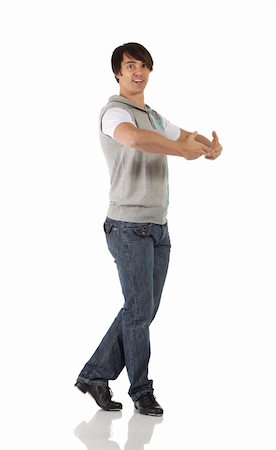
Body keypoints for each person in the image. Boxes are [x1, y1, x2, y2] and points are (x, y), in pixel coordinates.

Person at [75, 42, 222, 417]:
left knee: (143, 309)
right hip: (128, 225)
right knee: (139, 312)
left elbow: (185, 137)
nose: (138, 72)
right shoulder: (113, 113)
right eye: (129, 66)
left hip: (158, 226)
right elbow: (135, 139)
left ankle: (95, 374)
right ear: (117, 73)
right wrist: (180, 150)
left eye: (143, 66)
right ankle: (141, 390)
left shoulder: (153, 115)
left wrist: (206, 148)